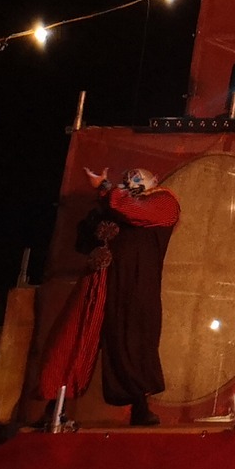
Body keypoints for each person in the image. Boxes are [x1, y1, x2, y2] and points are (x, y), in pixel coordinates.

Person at [37, 167, 182, 426]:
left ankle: (140, 407)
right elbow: (84, 241)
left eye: (138, 178)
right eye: (128, 178)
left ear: (155, 180)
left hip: (134, 283)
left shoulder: (164, 202)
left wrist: (106, 188)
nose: (131, 181)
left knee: (133, 342)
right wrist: (98, 220)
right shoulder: (113, 204)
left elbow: (134, 211)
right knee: (75, 337)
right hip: (99, 279)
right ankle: (55, 407)